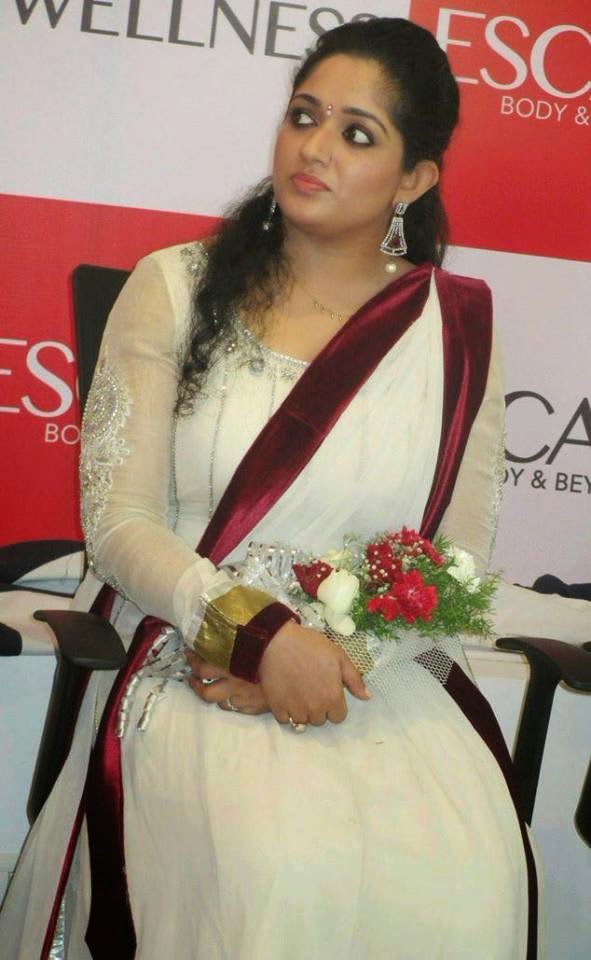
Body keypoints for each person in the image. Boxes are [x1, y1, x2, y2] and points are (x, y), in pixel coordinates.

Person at [0, 17, 538, 960]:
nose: (314, 147)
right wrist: (255, 638)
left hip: (371, 667)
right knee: (277, 864)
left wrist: (329, 657)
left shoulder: (455, 329)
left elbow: (456, 557)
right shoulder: (174, 286)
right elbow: (118, 524)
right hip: (182, 643)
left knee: (469, 880)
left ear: (413, 180)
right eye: (304, 115)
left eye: (357, 133)